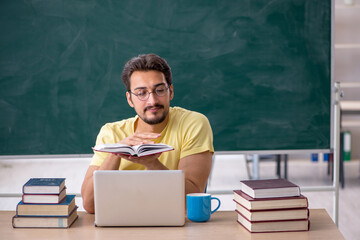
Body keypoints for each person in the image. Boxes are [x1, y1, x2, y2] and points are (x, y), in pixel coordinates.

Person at [81, 53, 214, 214]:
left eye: (159, 90)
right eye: (141, 93)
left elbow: (191, 198)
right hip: (120, 223)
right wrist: (116, 152)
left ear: (170, 92)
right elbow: (90, 204)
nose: (152, 101)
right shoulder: (111, 132)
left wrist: (151, 163)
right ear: (130, 99)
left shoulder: (193, 124)